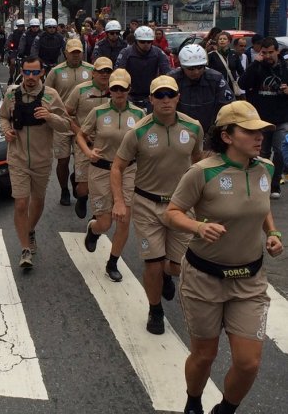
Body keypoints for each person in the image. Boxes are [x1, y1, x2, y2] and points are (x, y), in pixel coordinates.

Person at [165, 101, 282, 414]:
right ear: (227, 136)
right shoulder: (202, 172)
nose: (259, 137)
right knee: (205, 355)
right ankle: (193, 401)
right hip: (204, 278)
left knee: (249, 363)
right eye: (250, 131)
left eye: (262, 131)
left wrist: (272, 233)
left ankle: (225, 410)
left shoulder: (266, 168)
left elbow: (260, 206)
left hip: (250, 280)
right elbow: (172, 213)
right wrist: (198, 226)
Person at [112, 75, 203, 335]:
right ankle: (155, 309)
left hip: (181, 206)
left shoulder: (193, 127)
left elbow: (199, 165)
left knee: (178, 266)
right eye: (159, 95)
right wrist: (119, 200)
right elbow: (117, 167)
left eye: (170, 95)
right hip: (146, 204)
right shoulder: (138, 131)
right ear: (150, 99)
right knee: (152, 263)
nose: (165, 100)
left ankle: (166, 272)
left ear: (178, 97)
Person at [0, 56, 70, 269]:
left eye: (34, 73)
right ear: (22, 71)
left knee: (37, 201)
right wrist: (6, 131)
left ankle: (30, 230)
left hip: (41, 159)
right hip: (18, 157)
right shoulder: (12, 94)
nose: (30, 77)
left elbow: (65, 125)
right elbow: (3, 116)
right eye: (27, 72)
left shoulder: (51, 95)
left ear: (41, 73)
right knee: (21, 203)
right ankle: (25, 249)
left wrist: (49, 117)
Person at [76, 69, 145, 280]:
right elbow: (81, 134)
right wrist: (88, 151)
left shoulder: (139, 115)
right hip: (101, 170)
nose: (118, 92)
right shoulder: (98, 113)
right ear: (110, 90)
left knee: (123, 219)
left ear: (128, 90)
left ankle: (113, 262)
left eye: (122, 89)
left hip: (128, 170)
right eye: (114, 88)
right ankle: (94, 230)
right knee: (105, 222)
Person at [45, 39, 94, 206]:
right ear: (65, 53)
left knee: (82, 159)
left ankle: (77, 179)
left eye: (78, 52)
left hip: (83, 125)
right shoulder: (56, 72)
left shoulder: (91, 70)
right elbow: (46, 94)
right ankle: (64, 189)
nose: (75, 55)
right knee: (63, 160)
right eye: (72, 52)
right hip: (62, 123)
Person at [239, 36, 288, 199]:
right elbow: (243, 84)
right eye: (264, 52)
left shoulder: (285, 67)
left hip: (282, 117)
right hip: (260, 119)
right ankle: (261, 184)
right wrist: (255, 63)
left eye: (270, 52)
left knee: (280, 151)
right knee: (262, 153)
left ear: (277, 51)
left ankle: (275, 185)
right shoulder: (257, 66)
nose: (267, 56)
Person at [65, 57, 113, 219]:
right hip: (84, 142)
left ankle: (98, 215)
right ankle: (82, 197)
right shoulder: (80, 90)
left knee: (104, 184)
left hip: (107, 144)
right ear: (93, 73)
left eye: (108, 71)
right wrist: (79, 131)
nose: (105, 74)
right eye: (101, 71)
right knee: (84, 187)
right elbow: (66, 113)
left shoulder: (117, 91)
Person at [169, 44, 234, 136]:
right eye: (191, 68)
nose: (196, 72)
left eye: (200, 67)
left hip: (209, 132)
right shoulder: (171, 79)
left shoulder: (216, 79)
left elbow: (229, 106)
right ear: (182, 66)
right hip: (179, 132)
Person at [115, 26, 171, 111]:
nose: (146, 44)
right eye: (142, 41)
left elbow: (167, 73)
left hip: (151, 96)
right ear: (136, 41)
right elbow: (118, 73)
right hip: (130, 96)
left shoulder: (158, 53)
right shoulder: (126, 53)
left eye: (149, 42)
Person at [6, 19, 26, 84]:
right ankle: (11, 76)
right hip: (14, 50)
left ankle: (21, 77)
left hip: (23, 51)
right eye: (19, 26)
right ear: (17, 26)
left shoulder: (26, 33)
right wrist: (8, 46)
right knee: (12, 63)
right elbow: (8, 41)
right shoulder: (13, 33)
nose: (20, 27)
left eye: (22, 26)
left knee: (26, 65)